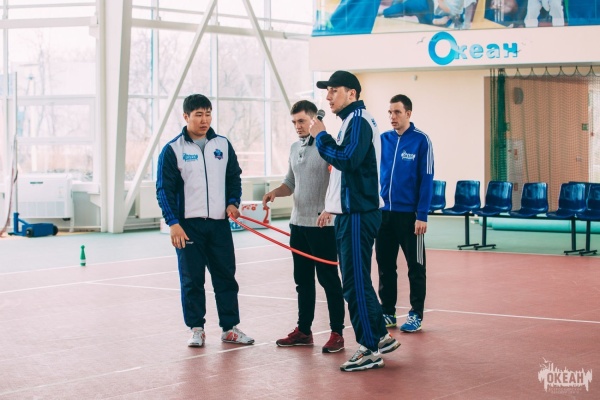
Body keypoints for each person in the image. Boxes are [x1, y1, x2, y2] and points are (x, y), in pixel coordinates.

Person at [309, 70, 400, 372]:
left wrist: (321, 137)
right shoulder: (352, 121)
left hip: (358, 213)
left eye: (334, 90)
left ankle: (368, 348)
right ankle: (380, 336)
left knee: (354, 283)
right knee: (358, 280)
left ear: (352, 94)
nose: (328, 96)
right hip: (350, 212)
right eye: (327, 91)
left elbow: (347, 159)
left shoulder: (358, 121)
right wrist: (331, 207)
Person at [156, 94, 254, 348]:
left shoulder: (222, 144)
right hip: (188, 227)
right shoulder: (173, 149)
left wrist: (233, 202)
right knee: (192, 280)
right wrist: (173, 223)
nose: (204, 120)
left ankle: (230, 328)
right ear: (186, 116)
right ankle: (196, 329)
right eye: (198, 114)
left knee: (226, 277)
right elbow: (164, 190)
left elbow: (234, 177)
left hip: (219, 224)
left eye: (208, 114)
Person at [262, 100, 346, 353]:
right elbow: (290, 183)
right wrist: (275, 192)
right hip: (298, 225)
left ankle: (337, 333)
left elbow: (339, 182)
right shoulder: (293, 148)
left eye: (301, 121)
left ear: (313, 120)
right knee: (303, 282)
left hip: (323, 225)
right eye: (294, 122)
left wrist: (330, 210)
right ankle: (304, 331)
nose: (297, 126)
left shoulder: (328, 146)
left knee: (329, 281)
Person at [376, 94, 434, 334]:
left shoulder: (421, 141)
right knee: (385, 267)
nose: (392, 117)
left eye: (397, 112)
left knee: (416, 267)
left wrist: (422, 215)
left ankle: (415, 314)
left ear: (408, 113)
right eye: (390, 112)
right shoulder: (382, 140)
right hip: (383, 215)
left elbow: (427, 179)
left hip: (410, 217)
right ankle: (387, 312)